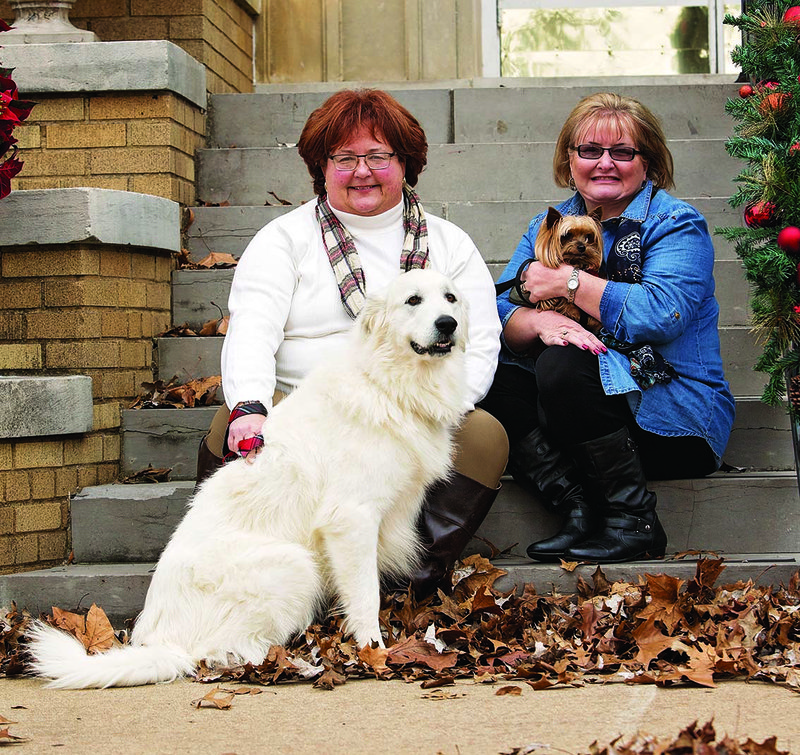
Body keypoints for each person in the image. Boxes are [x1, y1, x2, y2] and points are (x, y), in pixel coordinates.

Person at [195, 88, 508, 595]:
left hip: (410, 404)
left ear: (406, 162)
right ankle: (247, 581)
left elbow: (482, 339)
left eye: (378, 156)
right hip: (303, 405)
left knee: (484, 436)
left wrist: (431, 411)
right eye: (345, 158)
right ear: (322, 166)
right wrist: (249, 405)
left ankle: (399, 590)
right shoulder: (284, 239)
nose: (362, 171)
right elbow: (253, 326)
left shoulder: (448, 244)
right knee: (227, 426)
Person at [479, 92, 735, 564]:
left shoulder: (676, 225)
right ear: (569, 159)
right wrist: (537, 319)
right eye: (589, 151)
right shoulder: (546, 223)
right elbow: (495, 309)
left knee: (566, 361)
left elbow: (663, 312)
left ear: (648, 161)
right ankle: (576, 509)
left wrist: (568, 282)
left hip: (667, 418)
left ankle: (633, 521)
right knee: (484, 376)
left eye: (622, 152)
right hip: (573, 412)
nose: (604, 164)